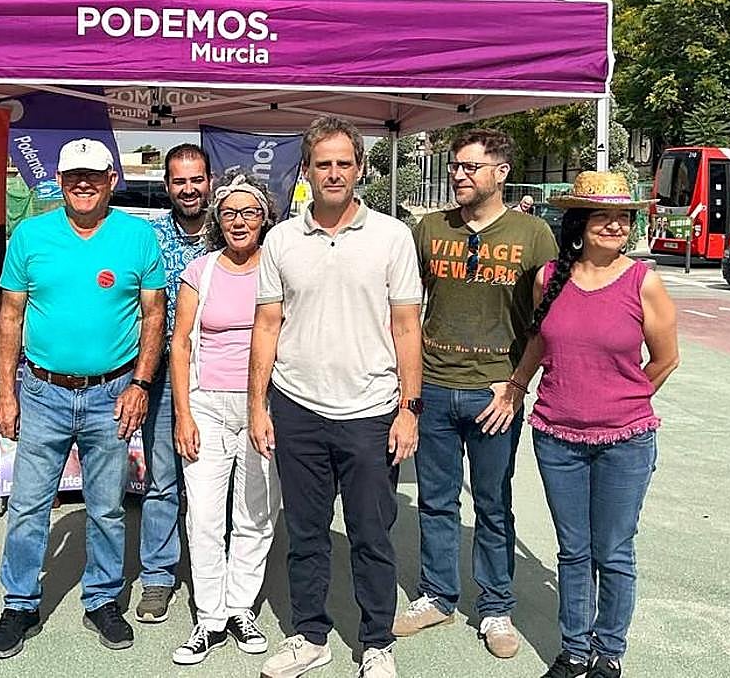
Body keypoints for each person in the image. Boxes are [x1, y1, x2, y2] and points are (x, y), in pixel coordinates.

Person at [251, 116, 423, 678]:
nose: (333, 173)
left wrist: (409, 409)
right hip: (297, 407)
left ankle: (376, 643)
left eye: (344, 163)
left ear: (360, 169)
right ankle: (310, 637)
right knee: (305, 534)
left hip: (372, 413)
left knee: (372, 536)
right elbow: (268, 325)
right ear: (306, 170)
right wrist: (258, 406)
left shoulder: (392, 237)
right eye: (322, 163)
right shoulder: (279, 240)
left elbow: (406, 329)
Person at [0, 138, 166, 659]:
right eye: (72, 176)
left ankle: (103, 599)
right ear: (58, 182)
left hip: (113, 392)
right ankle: (20, 604)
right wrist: (6, 394)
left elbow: (154, 316)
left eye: (93, 174)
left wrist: (140, 385)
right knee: (27, 506)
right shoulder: (31, 235)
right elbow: (10, 319)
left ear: (112, 179)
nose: (82, 183)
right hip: (42, 392)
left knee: (107, 508)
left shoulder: (138, 236)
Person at [508, 171, 678, 678]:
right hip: (556, 437)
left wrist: (621, 401)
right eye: (603, 216)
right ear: (578, 222)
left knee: (613, 550)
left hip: (625, 442)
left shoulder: (642, 280)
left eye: (623, 217)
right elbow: (541, 341)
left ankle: (609, 653)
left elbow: (666, 359)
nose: (615, 226)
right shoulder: (549, 278)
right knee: (573, 550)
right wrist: (517, 385)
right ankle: (575, 651)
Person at [397, 128, 557, 659]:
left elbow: (547, 321)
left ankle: (495, 608)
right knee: (436, 501)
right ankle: (438, 596)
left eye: (470, 167)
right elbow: (404, 308)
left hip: (497, 394)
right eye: (456, 166)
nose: (459, 175)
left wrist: (516, 386)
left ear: (500, 173)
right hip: (437, 388)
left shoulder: (533, 235)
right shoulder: (429, 229)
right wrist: (410, 390)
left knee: (493, 505)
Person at [169, 169, 280, 667]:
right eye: (229, 213)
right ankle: (209, 617)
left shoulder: (278, 268)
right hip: (208, 405)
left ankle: (241, 608)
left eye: (249, 212)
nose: (239, 222)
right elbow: (180, 342)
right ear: (218, 219)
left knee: (256, 515)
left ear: (265, 219)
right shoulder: (202, 270)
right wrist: (182, 413)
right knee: (206, 515)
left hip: (265, 406)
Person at [138, 143, 212, 623]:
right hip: (164, 373)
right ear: (167, 186)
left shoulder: (233, 231)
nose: (189, 189)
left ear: (209, 181)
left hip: (221, 375)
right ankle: (159, 577)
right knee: (163, 479)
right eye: (179, 181)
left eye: (197, 179)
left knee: (214, 482)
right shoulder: (148, 237)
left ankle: (217, 575)